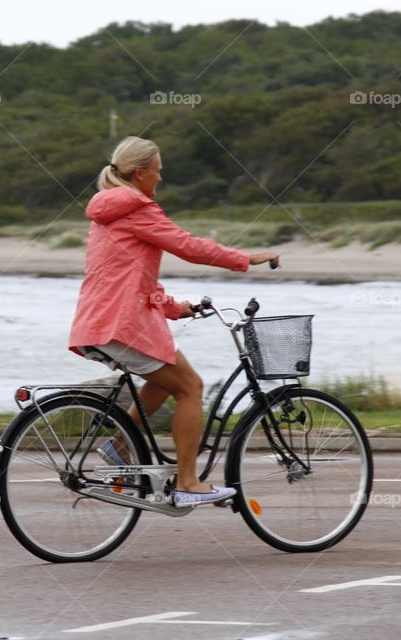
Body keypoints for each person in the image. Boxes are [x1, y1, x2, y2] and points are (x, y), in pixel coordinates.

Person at [68, 136, 280, 506]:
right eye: (158, 171)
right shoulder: (137, 207)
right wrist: (247, 258)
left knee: (165, 378)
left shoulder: (109, 212)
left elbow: (126, 274)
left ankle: (120, 445)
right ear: (140, 173)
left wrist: (170, 306)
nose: (160, 179)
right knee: (190, 387)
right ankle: (187, 483)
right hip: (122, 323)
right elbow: (189, 246)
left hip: (99, 319)